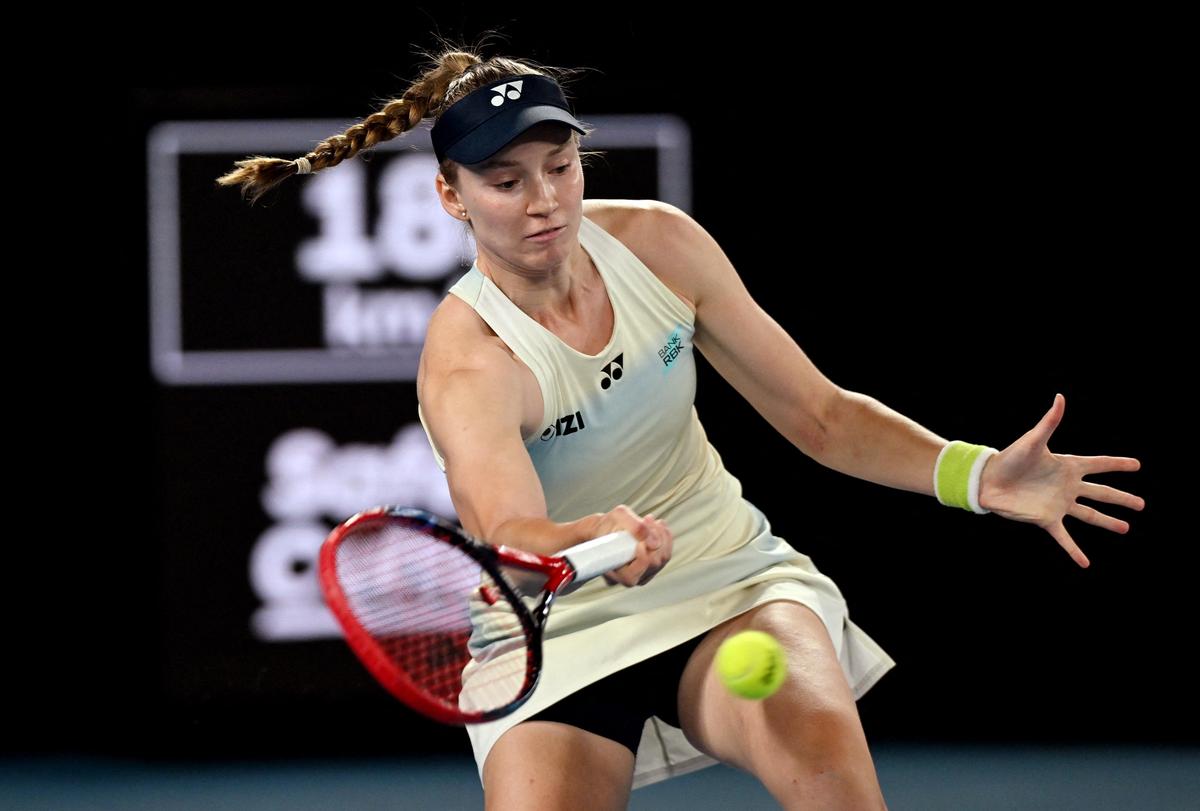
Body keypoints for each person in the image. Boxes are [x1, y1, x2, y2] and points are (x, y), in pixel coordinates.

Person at [217, 42, 1144, 811]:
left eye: (560, 166)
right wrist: (589, 538)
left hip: (723, 574)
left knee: (832, 776)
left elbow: (818, 415)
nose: (544, 200)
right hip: (557, 624)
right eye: (505, 180)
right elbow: (510, 534)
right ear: (452, 198)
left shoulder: (659, 244)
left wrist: (976, 475)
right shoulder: (470, 361)